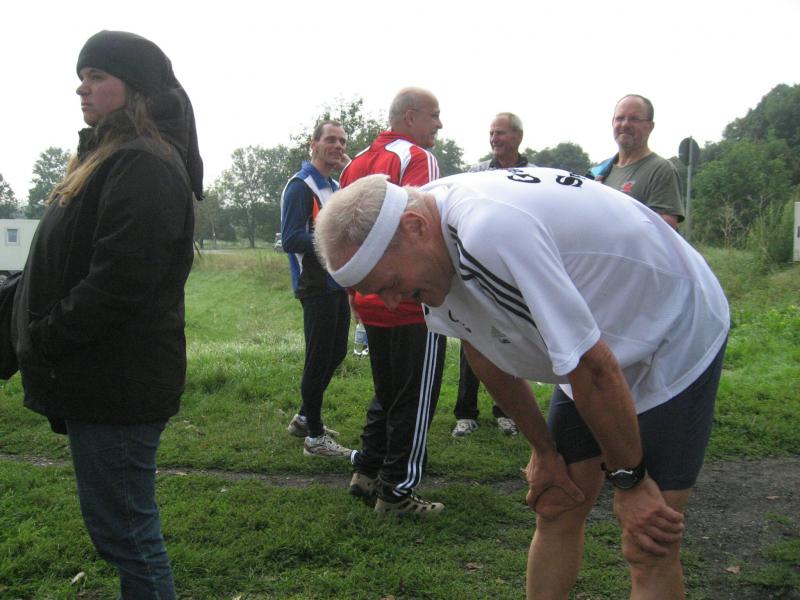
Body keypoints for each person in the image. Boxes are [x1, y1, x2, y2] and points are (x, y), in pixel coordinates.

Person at [313, 167, 729, 599]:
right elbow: (481, 349)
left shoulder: (488, 232)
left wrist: (631, 483)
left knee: (648, 541)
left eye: (392, 285)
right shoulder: (423, 233)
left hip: (670, 327)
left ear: (414, 228)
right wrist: (544, 452)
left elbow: (593, 369)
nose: (391, 302)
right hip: (595, 345)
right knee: (556, 504)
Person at [10, 30, 203, 598]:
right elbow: (67, 258)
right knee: (122, 530)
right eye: (82, 76)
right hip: (102, 375)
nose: (82, 88)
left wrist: (43, 336)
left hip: (117, 380)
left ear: (134, 87)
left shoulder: (143, 163)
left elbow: (120, 283)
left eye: (97, 76)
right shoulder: (110, 155)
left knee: (129, 536)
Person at [338, 87, 447, 515]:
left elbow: (340, 234)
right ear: (410, 116)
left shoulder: (356, 163)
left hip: (369, 295)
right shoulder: (418, 157)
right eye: (434, 115)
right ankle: (397, 492)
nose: (439, 124)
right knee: (414, 397)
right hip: (408, 296)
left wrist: (354, 292)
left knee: (387, 391)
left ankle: (366, 471)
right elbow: (422, 227)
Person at [453, 112, 533, 438]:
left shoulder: (533, 176)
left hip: (513, 271)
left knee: (511, 339)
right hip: (477, 268)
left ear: (518, 137)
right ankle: (465, 413)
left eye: (500, 133)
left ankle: (506, 412)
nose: (494, 139)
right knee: (472, 337)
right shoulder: (477, 174)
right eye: (491, 133)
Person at [280, 120, 352, 458]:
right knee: (318, 357)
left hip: (337, 283)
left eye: (342, 141)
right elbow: (290, 238)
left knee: (336, 352)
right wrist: (332, 240)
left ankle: (304, 418)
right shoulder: (301, 186)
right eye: (331, 140)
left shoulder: (335, 185)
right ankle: (315, 438)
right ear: (314, 144)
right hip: (314, 284)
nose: (338, 146)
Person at [589, 94, 684, 229]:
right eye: (620, 118)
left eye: (634, 119)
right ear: (613, 123)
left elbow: (665, 226)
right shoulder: (598, 172)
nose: (625, 124)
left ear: (650, 126)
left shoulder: (661, 169)